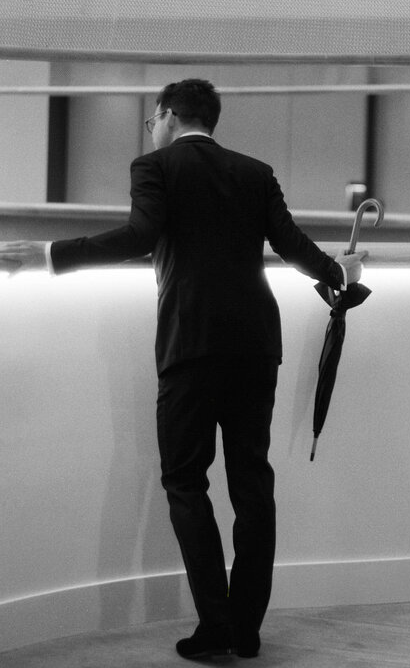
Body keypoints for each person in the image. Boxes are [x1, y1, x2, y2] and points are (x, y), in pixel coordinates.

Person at [0, 78, 365, 660]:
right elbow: (293, 246)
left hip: (191, 344)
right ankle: (245, 630)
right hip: (254, 345)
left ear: (168, 114)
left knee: (185, 483)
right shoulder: (255, 171)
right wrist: (340, 273)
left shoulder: (154, 167)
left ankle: (214, 628)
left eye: (153, 119)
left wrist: (49, 255)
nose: (154, 129)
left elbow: (139, 236)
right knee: (252, 485)